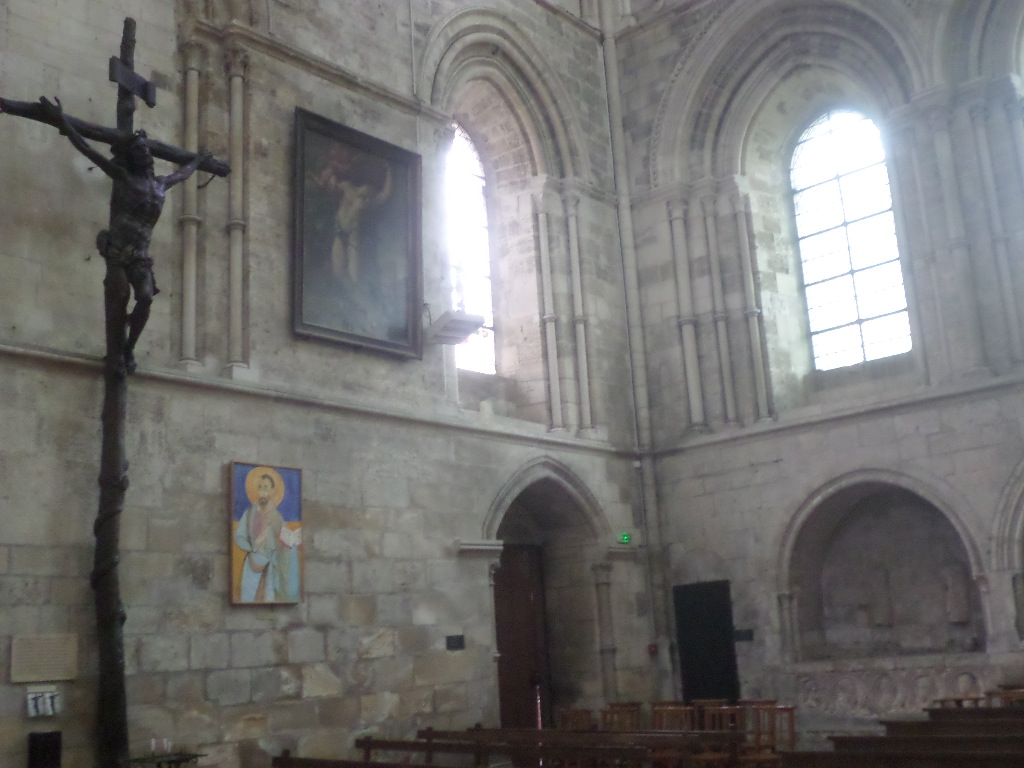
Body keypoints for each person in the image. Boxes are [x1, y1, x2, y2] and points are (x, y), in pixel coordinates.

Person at [36, 96, 211, 373]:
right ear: (131, 156)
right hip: (118, 251)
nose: (146, 154)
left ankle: (128, 350)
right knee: (118, 300)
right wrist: (62, 120)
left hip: (140, 257)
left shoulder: (161, 184)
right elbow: (86, 148)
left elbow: (185, 173)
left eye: (146, 150)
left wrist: (200, 160)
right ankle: (117, 352)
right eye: (140, 151)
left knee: (145, 298)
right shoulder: (123, 176)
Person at [234, 469, 301, 603]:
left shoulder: (277, 517)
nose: (262, 492)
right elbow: (239, 537)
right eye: (260, 488)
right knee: (248, 598)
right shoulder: (249, 515)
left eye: (266, 488)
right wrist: (252, 548)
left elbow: (287, 541)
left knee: (269, 598)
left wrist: (292, 540)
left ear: (271, 492)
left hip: (272, 567)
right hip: (253, 564)